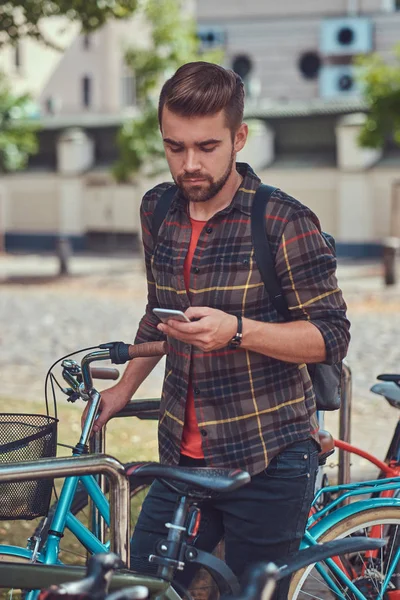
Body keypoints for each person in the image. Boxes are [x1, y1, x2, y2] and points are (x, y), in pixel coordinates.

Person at [82, 61, 350, 598]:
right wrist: (123, 389)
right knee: (144, 587)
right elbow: (160, 312)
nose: (189, 164)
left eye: (206, 146)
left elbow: (331, 337)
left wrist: (236, 331)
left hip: (268, 457)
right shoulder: (158, 209)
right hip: (180, 460)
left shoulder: (283, 221)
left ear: (239, 138)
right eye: (175, 147)